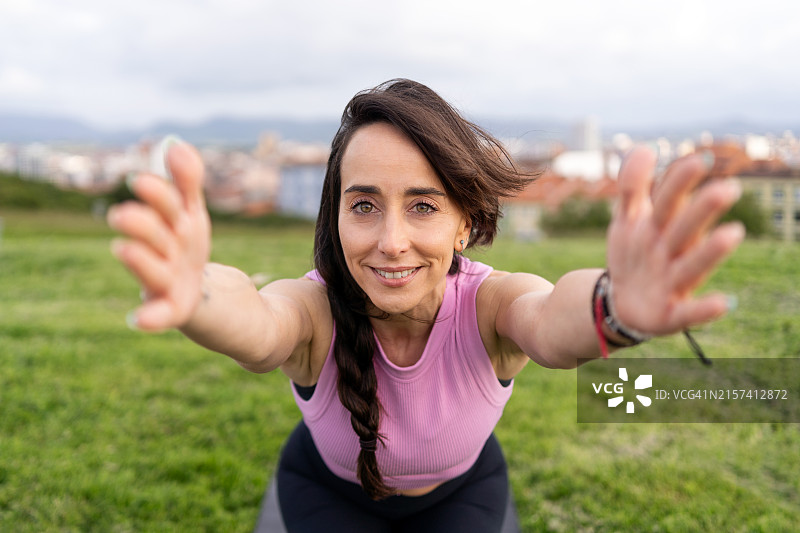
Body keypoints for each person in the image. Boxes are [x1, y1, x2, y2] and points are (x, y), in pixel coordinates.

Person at [107, 79, 744, 532]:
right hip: (324, 489)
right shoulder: (316, 309)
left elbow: (552, 321)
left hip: (462, 494)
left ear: (464, 223)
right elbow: (257, 322)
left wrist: (614, 309)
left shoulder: (490, 305)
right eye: (363, 205)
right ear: (336, 216)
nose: (390, 241)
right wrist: (198, 297)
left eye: (423, 205)